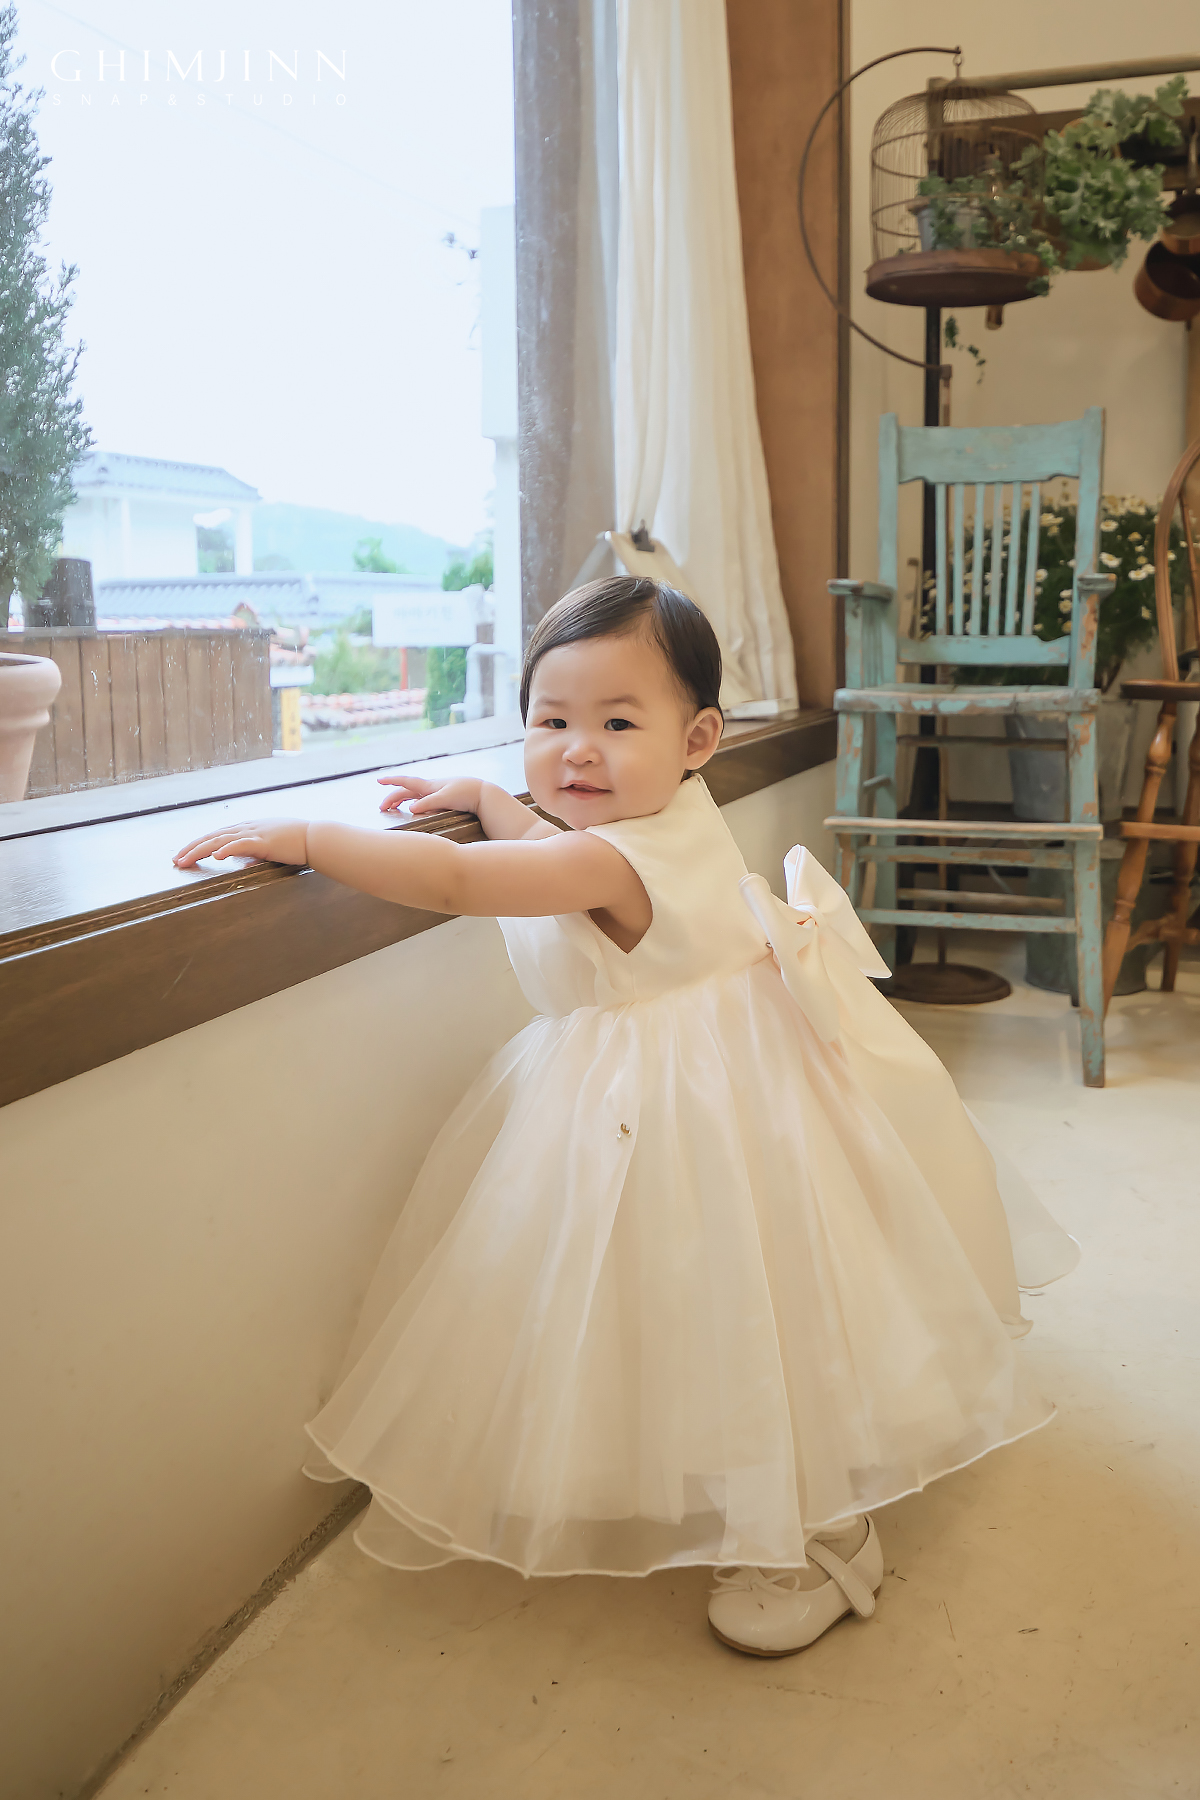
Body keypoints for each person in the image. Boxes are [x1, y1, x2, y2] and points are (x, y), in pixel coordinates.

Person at [173, 576, 1075, 1658]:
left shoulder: (608, 855)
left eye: (615, 723)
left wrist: (314, 838)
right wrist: (489, 794)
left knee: (730, 1290)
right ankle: (765, 1481)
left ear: (697, 738)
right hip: (719, 1073)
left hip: (679, 1096)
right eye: (550, 721)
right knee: (727, 1291)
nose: (576, 752)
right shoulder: (664, 817)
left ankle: (818, 1534)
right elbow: (549, 844)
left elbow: (461, 882)